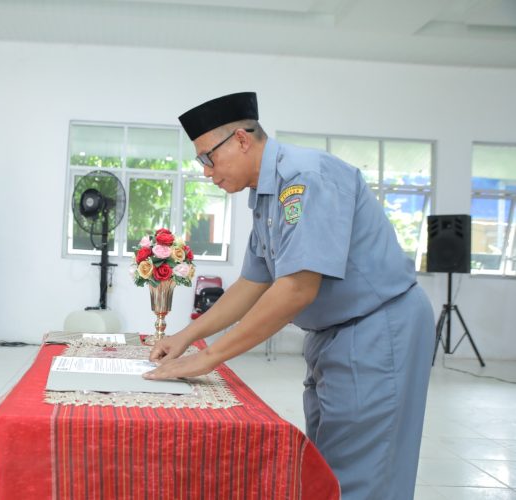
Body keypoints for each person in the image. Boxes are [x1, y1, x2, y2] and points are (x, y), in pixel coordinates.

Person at [144, 92, 434, 500]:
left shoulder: (306, 177)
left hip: (377, 325)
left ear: (242, 140)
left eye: (208, 158)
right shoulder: (265, 195)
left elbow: (297, 287)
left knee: (363, 474)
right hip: (335, 333)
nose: (206, 172)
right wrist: (188, 338)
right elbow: (252, 283)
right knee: (328, 464)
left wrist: (210, 358)